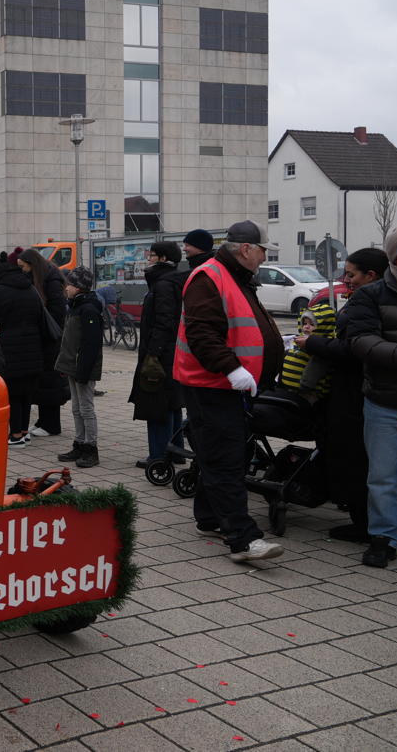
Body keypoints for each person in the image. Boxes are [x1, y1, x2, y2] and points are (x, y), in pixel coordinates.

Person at [174, 220, 285, 562]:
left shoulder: (233, 274)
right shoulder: (211, 276)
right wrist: (233, 368)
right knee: (227, 459)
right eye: (264, 251)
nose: (265, 259)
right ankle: (242, 539)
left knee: (219, 454)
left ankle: (209, 518)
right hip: (212, 385)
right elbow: (202, 333)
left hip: (224, 385)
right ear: (247, 249)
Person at [348, 227, 397, 572]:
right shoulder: (370, 295)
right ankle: (384, 538)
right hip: (385, 402)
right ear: (395, 256)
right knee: (382, 477)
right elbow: (361, 341)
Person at [299, 248, 389, 543]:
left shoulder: (370, 301)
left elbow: (354, 350)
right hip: (366, 390)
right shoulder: (386, 297)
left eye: (351, 274)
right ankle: (387, 522)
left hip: (355, 393)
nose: (345, 280)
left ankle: (365, 524)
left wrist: (313, 343)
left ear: (371, 275)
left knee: (357, 459)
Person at [128, 241, 185, 466]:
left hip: (161, 354)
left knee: (157, 405)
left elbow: (164, 321)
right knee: (173, 403)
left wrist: (153, 353)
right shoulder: (174, 280)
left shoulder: (163, 284)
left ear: (162, 259)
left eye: (151, 256)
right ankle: (176, 451)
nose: (148, 259)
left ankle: (159, 456)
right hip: (173, 352)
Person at [0, 256, 44, 447]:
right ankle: (24, 432)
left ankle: (16, 435)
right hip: (33, 347)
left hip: (9, 348)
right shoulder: (31, 289)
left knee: (12, 393)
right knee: (26, 392)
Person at [54, 266, 103, 468]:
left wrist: (83, 370)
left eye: (70, 284)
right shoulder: (75, 305)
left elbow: (91, 344)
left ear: (79, 287)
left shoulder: (88, 309)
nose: (66, 287)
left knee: (86, 408)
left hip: (83, 367)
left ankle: (91, 448)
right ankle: (80, 443)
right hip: (73, 365)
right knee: (76, 408)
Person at [19, 249, 69, 438]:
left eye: (23, 266)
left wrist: (46, 329)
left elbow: (57, 311)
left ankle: (51, 424)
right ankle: (43, 420)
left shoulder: (51, 279)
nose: (22, 270)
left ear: (32, 264)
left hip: (51, 337)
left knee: (50, 381)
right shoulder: (43, 276)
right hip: (45, 336)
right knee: (43, 381)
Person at [280, 303, 336, 398]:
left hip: (308, 393)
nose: (306, 326)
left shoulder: (321, 347)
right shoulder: (300, 340)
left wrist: (305, 386)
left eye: (312, 324)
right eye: (305, 323)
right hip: (289, 388)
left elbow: (316, 368)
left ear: (323, 327)